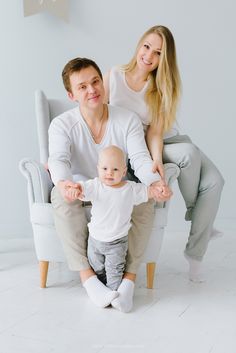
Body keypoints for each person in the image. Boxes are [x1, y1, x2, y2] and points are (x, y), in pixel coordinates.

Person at [48, 57, 172, 311]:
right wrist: (64, 185)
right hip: (85, 189)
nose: (92, 90)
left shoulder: (126, 120)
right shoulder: (61, 124)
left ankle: (128, 281)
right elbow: (58, 160)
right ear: (71, 95)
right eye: (82, 87)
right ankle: (89, 279)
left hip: (118, 188)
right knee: (59, 196)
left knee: (144, 196)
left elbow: (139, 158)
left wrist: (155, 183)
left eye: (95, 82)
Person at [104, 25, 224, 282]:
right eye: (146, 46)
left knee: (215, 181)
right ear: (139, 45)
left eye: (157, 52)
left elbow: (156, 132)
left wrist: (157, 159)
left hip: (168, 139)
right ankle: (197, 214)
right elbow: (99, 116)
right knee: (189, 154)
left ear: (163, 59)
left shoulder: (159, 87)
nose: (148, 55)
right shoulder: (114, 75)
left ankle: (196, 249)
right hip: (142, 145)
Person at [67, 145, 157, 306]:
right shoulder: (95, 185)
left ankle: (119, 297)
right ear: (98, 169)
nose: (109, 173)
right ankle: (104, 293)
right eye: (105, 168)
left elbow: (147, 192)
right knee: (97, 269)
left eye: (115, 169)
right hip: (94, 241)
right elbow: (83, 189)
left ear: (123, 172)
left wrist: (157, 190)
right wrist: (76, 189)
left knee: (114, 272)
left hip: (116, 243)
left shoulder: (130, 189)